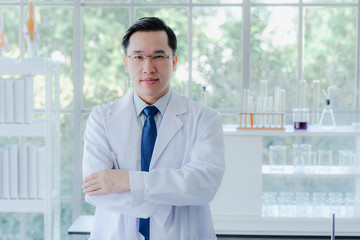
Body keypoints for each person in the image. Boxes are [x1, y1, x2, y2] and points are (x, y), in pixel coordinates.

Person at [82, 17, 225, 240]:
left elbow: (203, 185)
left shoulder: (204, 118)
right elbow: (95, 191)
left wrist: (127, 180)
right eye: (138, 57)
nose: (148, 68)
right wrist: (160, 208)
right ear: (126, 63)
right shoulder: (101, 119)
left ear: (174, 61)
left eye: (158, 56)